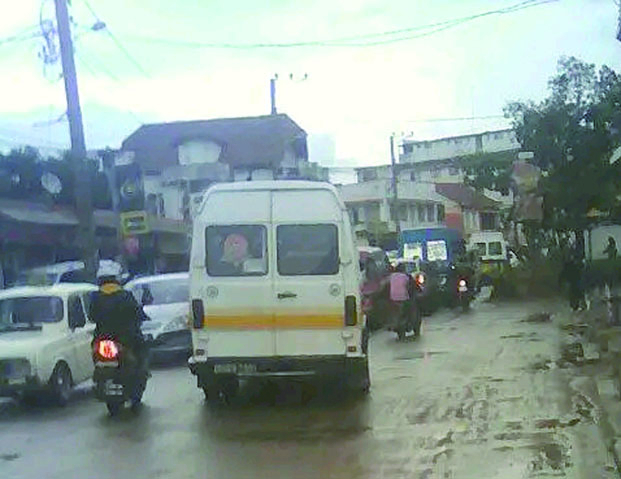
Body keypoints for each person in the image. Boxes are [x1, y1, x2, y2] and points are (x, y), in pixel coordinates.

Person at [89, 273, 150, 367]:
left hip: (103, 335)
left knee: (94, 348)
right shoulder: (125, 295)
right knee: (141, 346)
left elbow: (91, 317)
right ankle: (141, 369)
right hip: (126, 335)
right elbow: (136, 311)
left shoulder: (95, 297)